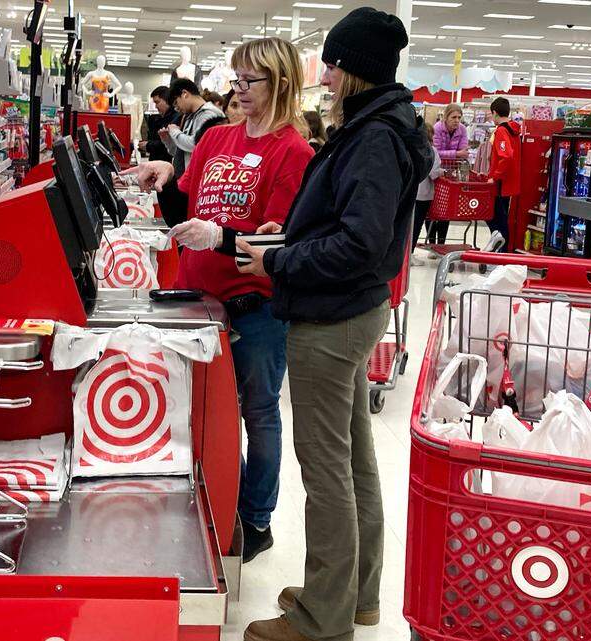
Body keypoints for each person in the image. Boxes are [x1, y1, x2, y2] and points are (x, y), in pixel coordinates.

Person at [234, 8, 431, 641]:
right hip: (354, 310)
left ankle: (324, 616)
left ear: (353, 69)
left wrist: (281, 257)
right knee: (354, 465)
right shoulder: (378, 126)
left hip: (332, 317)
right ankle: (354, 593)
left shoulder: (373, 137)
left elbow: (360, 244)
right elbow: (350, 226)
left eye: (332, 61)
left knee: (325, 470)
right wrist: (290, 232)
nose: (323, 72)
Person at [125, 37, 314, 565]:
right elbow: (188, 192)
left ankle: (255, 518)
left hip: (254, 307)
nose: (239, 90)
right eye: (236, 80)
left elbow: (276, 242)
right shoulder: (217, 138)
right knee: (203, 409)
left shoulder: (293, 152)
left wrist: (222, 236)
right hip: (197, 301)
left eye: (248, 81)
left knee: (258, 413)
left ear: (279, 82)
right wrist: (163, 176)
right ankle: (211, 500)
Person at [140, 85, 188, 227]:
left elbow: (175, 148)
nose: (156, 106)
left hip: (172, 176)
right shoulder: (164, 118)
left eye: (157, 102)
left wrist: (149, 145)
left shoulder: (175, 119)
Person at [162, 78, 224, 177]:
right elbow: (181, 151)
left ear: (184, 94)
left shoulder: (209, 114)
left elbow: (195, 145)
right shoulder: (190, 116)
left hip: (202, 177)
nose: (177, 109)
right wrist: (168, 140)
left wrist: (175, 132)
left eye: (176, 103)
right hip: (187, 178)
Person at [429, 103, 469, 246]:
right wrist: (456, 154)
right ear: (446, 117)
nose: (457, 120)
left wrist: (457, 155)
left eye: (459, 117)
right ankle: (431, 241)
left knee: (447, 209)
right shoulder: (437, 129)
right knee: (433, 208)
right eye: (453, 117)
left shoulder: (462, 129)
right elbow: (435, 152)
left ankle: (441, 243)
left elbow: (465, 151)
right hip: (436, 173)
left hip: (451, 174)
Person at [487, 97, 520, 252]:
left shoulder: (501, 130)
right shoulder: (514, 130)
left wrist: (495, 176)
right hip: (510, 182)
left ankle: (501, 251)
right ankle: (502, 251)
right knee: (502, 218)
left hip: (500, 183)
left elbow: (506, 155)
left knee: (494, 217)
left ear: (494, 113)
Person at [412, 120, 443, 262]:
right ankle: (411, 253)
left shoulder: (413, 148)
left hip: (412, 192)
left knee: (411, 224)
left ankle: (408, 252)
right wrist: (443, 172)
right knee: (417, 225)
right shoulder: (432, 151)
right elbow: (433, 173)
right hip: (424, 194)